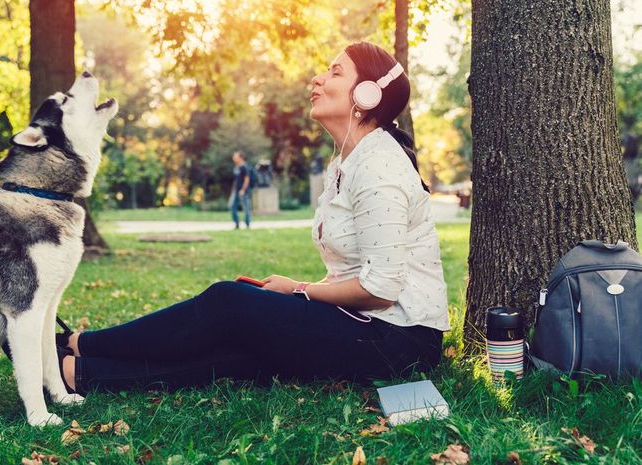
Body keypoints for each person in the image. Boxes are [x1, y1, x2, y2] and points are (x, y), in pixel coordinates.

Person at [57, 42, 450, 394]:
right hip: (364, 323)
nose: (317, 78)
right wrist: (299, 292)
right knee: (247, 351)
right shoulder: (347, 161)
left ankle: (82, 344)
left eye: (335, 71)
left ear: (366, 94)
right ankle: (81, 373)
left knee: (228, 301)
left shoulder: (380, 166)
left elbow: (380, 288)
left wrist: (299, 290)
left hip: (398, 339)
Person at [228, 150, 252, 229]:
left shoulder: (244, 167)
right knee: (232, 206)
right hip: (236, 190)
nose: (233, 158)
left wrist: (243, 189)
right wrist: (233, 190)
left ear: (240, 157)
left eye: (235, 156)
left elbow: (247, 179)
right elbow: (236, 180)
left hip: (243, 190)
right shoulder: (236, 167)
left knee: (246, 207)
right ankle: (237, 223)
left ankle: (247, 223)